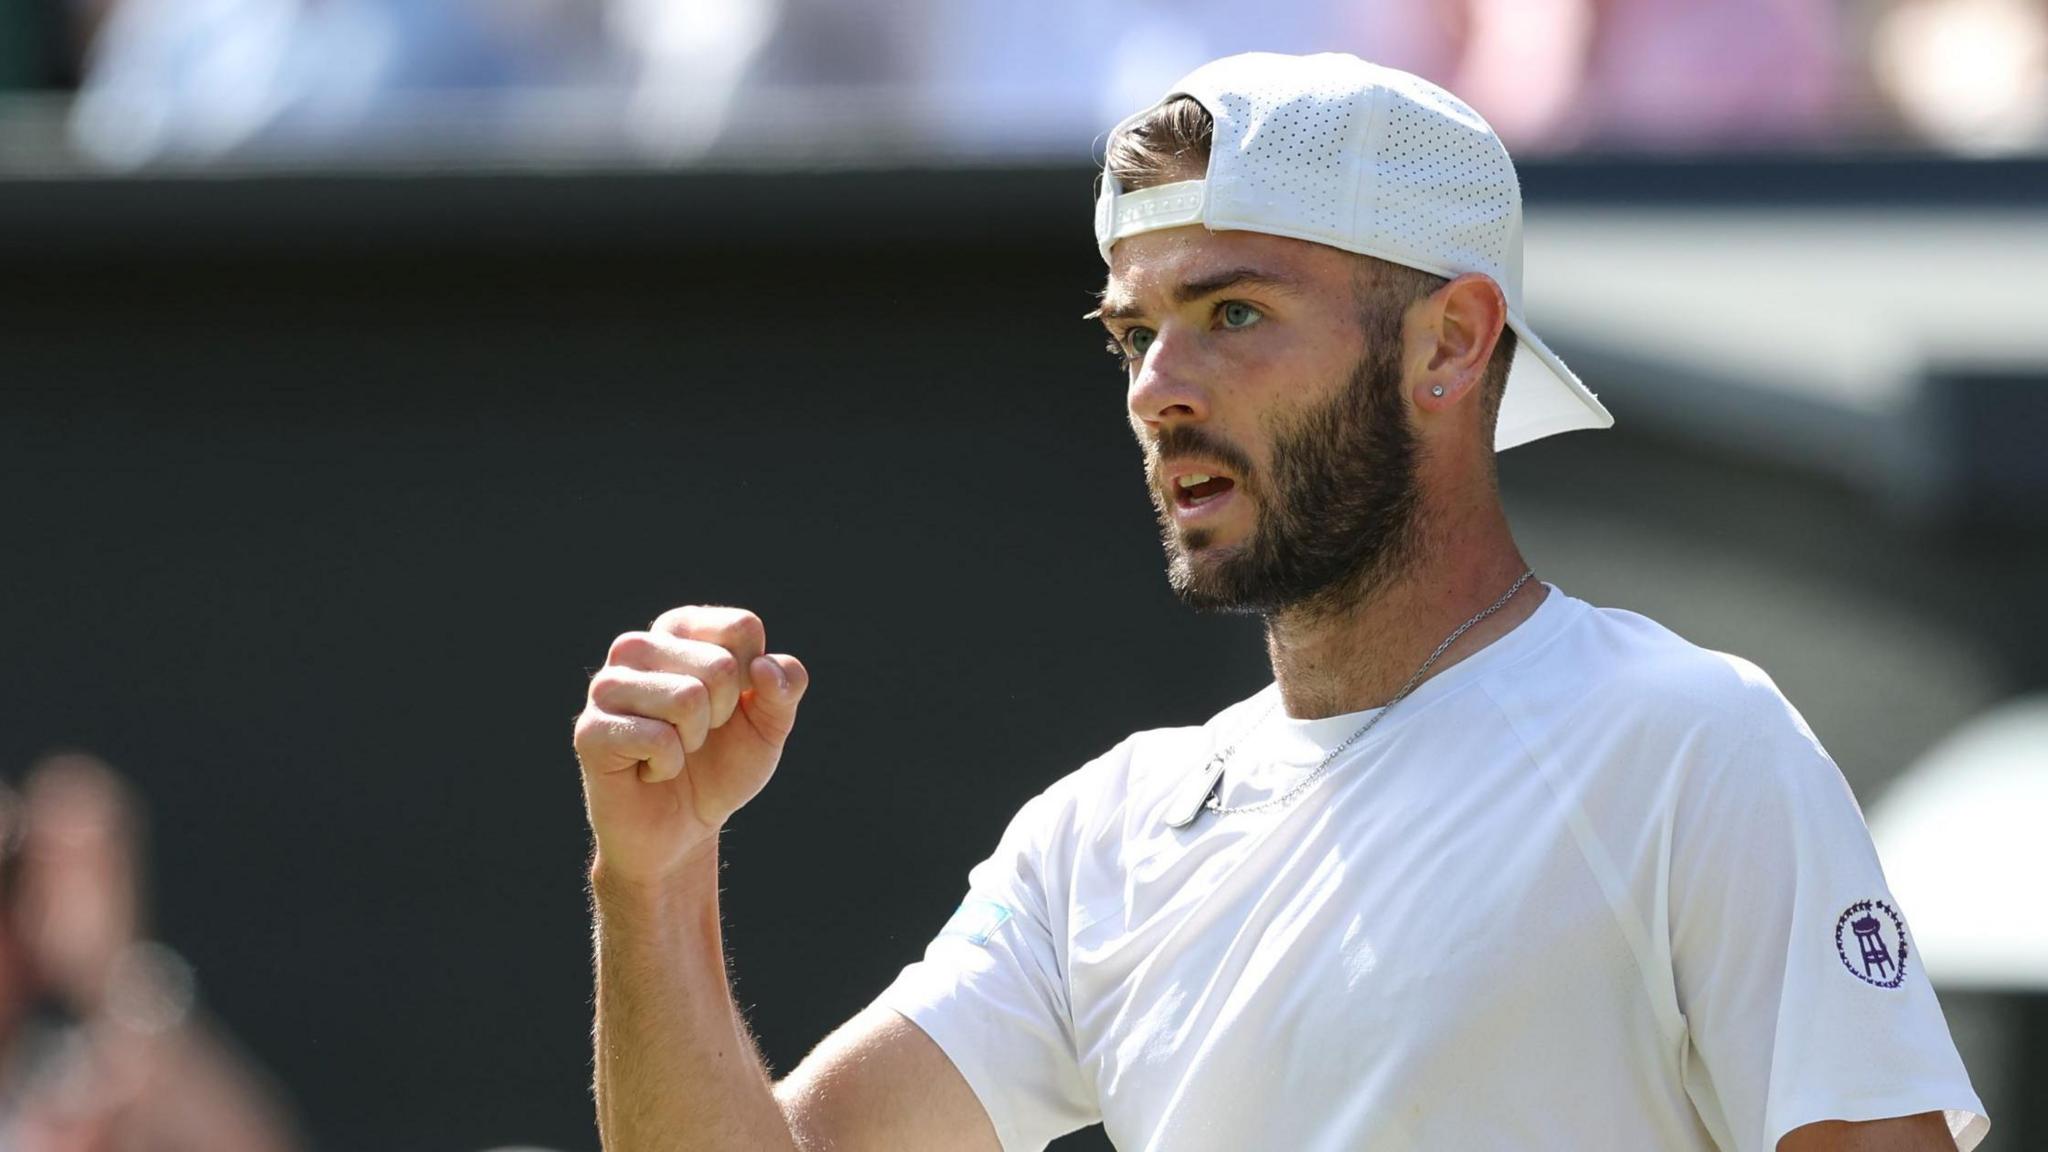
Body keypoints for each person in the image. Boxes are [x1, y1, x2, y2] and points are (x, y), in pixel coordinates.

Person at [571, 52, 1988, 1152]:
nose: (1155, 387)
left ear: (1451, 343)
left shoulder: (1692, 748)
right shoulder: (1098, 842)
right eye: (1136, 330)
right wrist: (655, 876)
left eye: (1234, 315)